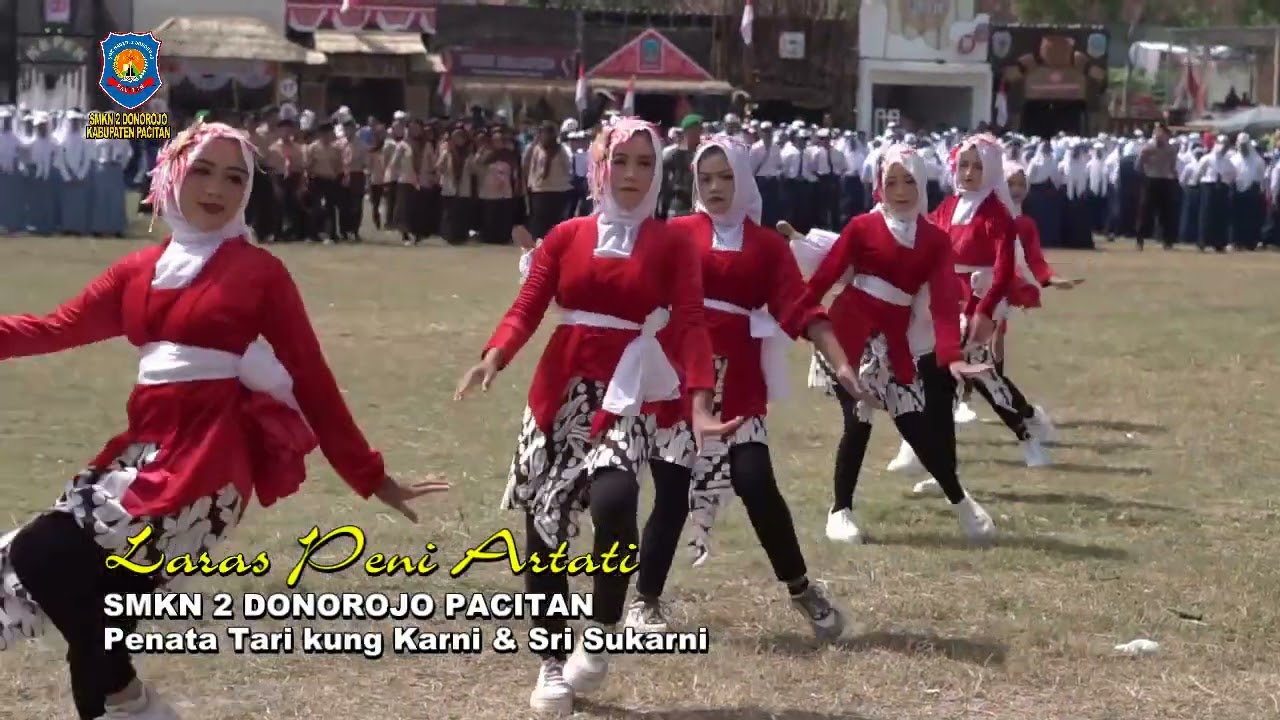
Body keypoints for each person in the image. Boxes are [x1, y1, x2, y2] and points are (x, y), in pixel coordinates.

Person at [0, 120, 446, 720]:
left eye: (235, 177)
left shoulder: (260, 273)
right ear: (172, 175)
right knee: (92, 611)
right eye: (203, 171)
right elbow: (54, 329)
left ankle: (131, 699)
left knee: (48, 559)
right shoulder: (137, 271)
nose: (217, 188)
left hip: (207, 466)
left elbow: (311, 380)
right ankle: (133, 701)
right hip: (140, 456)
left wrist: (371, 476)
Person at [455, 118, 737, 716]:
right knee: (543, 526)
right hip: (556, 394)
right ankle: (552, 663)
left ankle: (602, 632)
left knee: (614, 504)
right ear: (599, 167)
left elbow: (689, 322)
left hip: (624, 396)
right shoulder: (566, 235)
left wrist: (701, 401)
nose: (631, 174)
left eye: (643, 162)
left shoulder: (672, 243)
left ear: (658, 171)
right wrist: (494, 357)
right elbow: (529, 305)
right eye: (620, 161)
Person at [626, 134, 855, 637]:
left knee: (756, 482)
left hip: (740, 383)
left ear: (743, 179)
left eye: (725, 177)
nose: (714, 187)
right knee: (671, 490)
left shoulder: (768, 247)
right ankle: (645, 601)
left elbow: (800, 309)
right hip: (682, 378)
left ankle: (801, 589)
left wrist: (839, 361)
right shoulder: (677, 233)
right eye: (704, 178)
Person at [788, 145, 995, 543]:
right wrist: (792, 320)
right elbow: (825, 278)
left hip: (893, 340)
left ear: (922, 183)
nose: (899, 191)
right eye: (891, 182)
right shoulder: (862, 226)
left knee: (914, 423)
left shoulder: (934, 240)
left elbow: (943, 304)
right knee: (859, 420)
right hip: (851, 334)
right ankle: (840, 511)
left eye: (909, 181)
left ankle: (963, 504)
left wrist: (951, 356)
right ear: (880, 186)